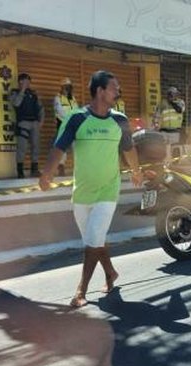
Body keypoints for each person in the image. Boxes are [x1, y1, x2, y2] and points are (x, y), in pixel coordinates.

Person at [39, 70, 143, 307]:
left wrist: (136, 171)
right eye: (114, 88)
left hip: (108, 189)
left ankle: (81, 290)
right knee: (94, 239)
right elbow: (59, 147)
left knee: (93, 238)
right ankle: (110, 273)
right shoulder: (76, 118)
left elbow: (129, 149)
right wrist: (47, 172)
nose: (118, 92)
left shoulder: (120, 120)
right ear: (100, 91)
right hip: (82, 191)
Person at [10, 73, 44, 178]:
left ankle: (34, 169)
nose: (28, 84)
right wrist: (22, 91)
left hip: (34, 123)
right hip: (23, 123)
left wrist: (41, 121)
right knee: (22, 147)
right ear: (20, 82)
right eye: (25, 81)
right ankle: (20, 171)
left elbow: (40, 108)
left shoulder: (33, 94)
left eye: (29, 82)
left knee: (36, 146)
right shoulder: (14, 92)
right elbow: (16, 103)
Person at [53, 77, 79, 176]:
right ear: (61, 87)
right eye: (65, 87)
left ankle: (78, 168)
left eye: (69, 87)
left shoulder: (73, 99)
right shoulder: (57, 98)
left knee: (76, 147)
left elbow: (77, 110)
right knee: (62, 147)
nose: (67, 89)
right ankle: (61, 167)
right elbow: (59, 111)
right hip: (63, 125)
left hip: (74, 126)